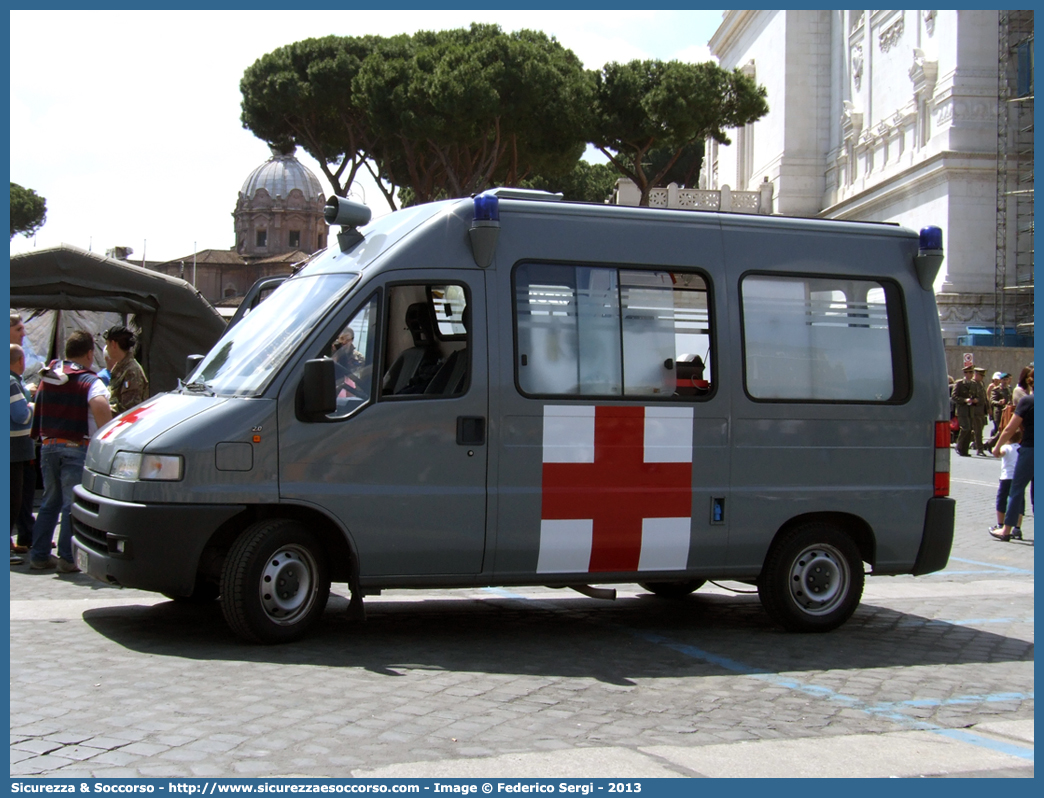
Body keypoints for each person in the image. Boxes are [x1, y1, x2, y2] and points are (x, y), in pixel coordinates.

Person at [28, 330, 113, 572]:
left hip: (48, 446)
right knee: (70, 504)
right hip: (75, 448)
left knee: (49, 502)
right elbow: (99, 403)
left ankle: (39, 555)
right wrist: (106, 434)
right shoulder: (90, 381)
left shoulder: (49, 376)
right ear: (89, 353)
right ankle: (67, 557)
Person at [990, 368, 1033, 542]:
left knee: (1016, 490)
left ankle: (1006, 530)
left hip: (1031, 449)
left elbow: (1010, 428)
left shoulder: (1027, 401)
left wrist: (997, 446)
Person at [10, 344, 34, 566]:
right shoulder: (11, 383)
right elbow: (20, 415)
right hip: (13, 451)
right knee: (12, 500)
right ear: (20, 361)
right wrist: (32, 407)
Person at [103, 325, 148, 415]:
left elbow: (130, 410)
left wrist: (102, 408)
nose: (107, 349)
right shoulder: (121, 367)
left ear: (114, 344)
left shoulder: (132, 371)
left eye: (107, 344)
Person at [988, 427, 1023, 539]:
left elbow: (1000, 453)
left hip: (1006, 478)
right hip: (1018, 478)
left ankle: (1000, 524)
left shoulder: (1006, 448)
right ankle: (1017, 528)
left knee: (1002, 500)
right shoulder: (1021, 448)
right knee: (1019, 502)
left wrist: (996, 449)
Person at [952, 363, 988, 456]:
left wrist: (976, 400)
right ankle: (959, 446)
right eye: (970, 372)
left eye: (972, 372)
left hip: (971, 410)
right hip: (962, 410)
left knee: (969, 430)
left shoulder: (973, 384)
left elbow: (979, 397)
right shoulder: (959, 383)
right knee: (965, 428)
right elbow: (954, 396)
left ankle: (964, 450)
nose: (972, 374)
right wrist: (964, 400)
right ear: (965, 373)